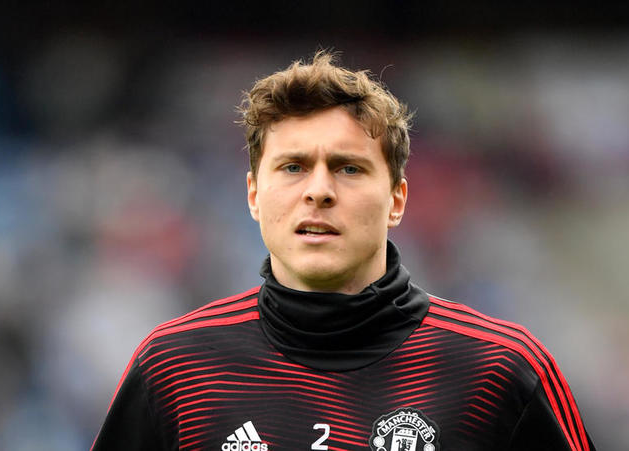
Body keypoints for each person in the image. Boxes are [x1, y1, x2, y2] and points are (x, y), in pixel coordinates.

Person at [92, 51, 596, 451]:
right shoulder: (175, 367)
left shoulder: (501, 369)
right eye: (292, 167)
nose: (319, 191)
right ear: (252, 195)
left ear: (397, 200)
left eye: (349, 168)